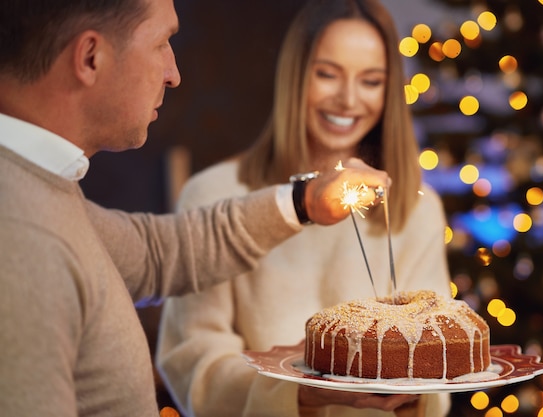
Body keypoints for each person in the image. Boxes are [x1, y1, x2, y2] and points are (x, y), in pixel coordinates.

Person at [0, 1, 390, 416]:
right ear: (91, 57)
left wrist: (305, 201)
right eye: (162, 43)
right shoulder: (23, 239)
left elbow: (156, 253)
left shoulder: (42, 191)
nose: (173, 74)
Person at [156, 1, 452, 416]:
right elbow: (192, 362)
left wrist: (414, 395)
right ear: (296, 77)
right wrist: (294, 394)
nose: (348, 100)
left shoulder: (416, 209)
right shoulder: (214, 195)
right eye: (327, 74)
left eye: (370, 81)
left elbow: (433, 367)